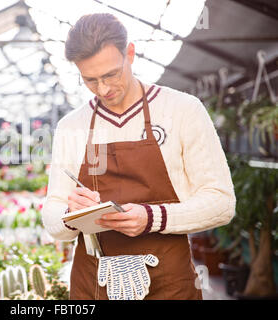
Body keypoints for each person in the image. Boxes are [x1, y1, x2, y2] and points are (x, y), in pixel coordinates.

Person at [41, 13, 236, 300]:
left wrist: (151, 217)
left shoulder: (182, 110)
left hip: (169, 282)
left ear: (129, 54)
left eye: (111, 74)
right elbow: (52, 212)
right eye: (90, 80)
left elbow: (221, 202)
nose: (103, 89)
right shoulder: (72, 125)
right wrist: (71, 215)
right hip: (95, 283)